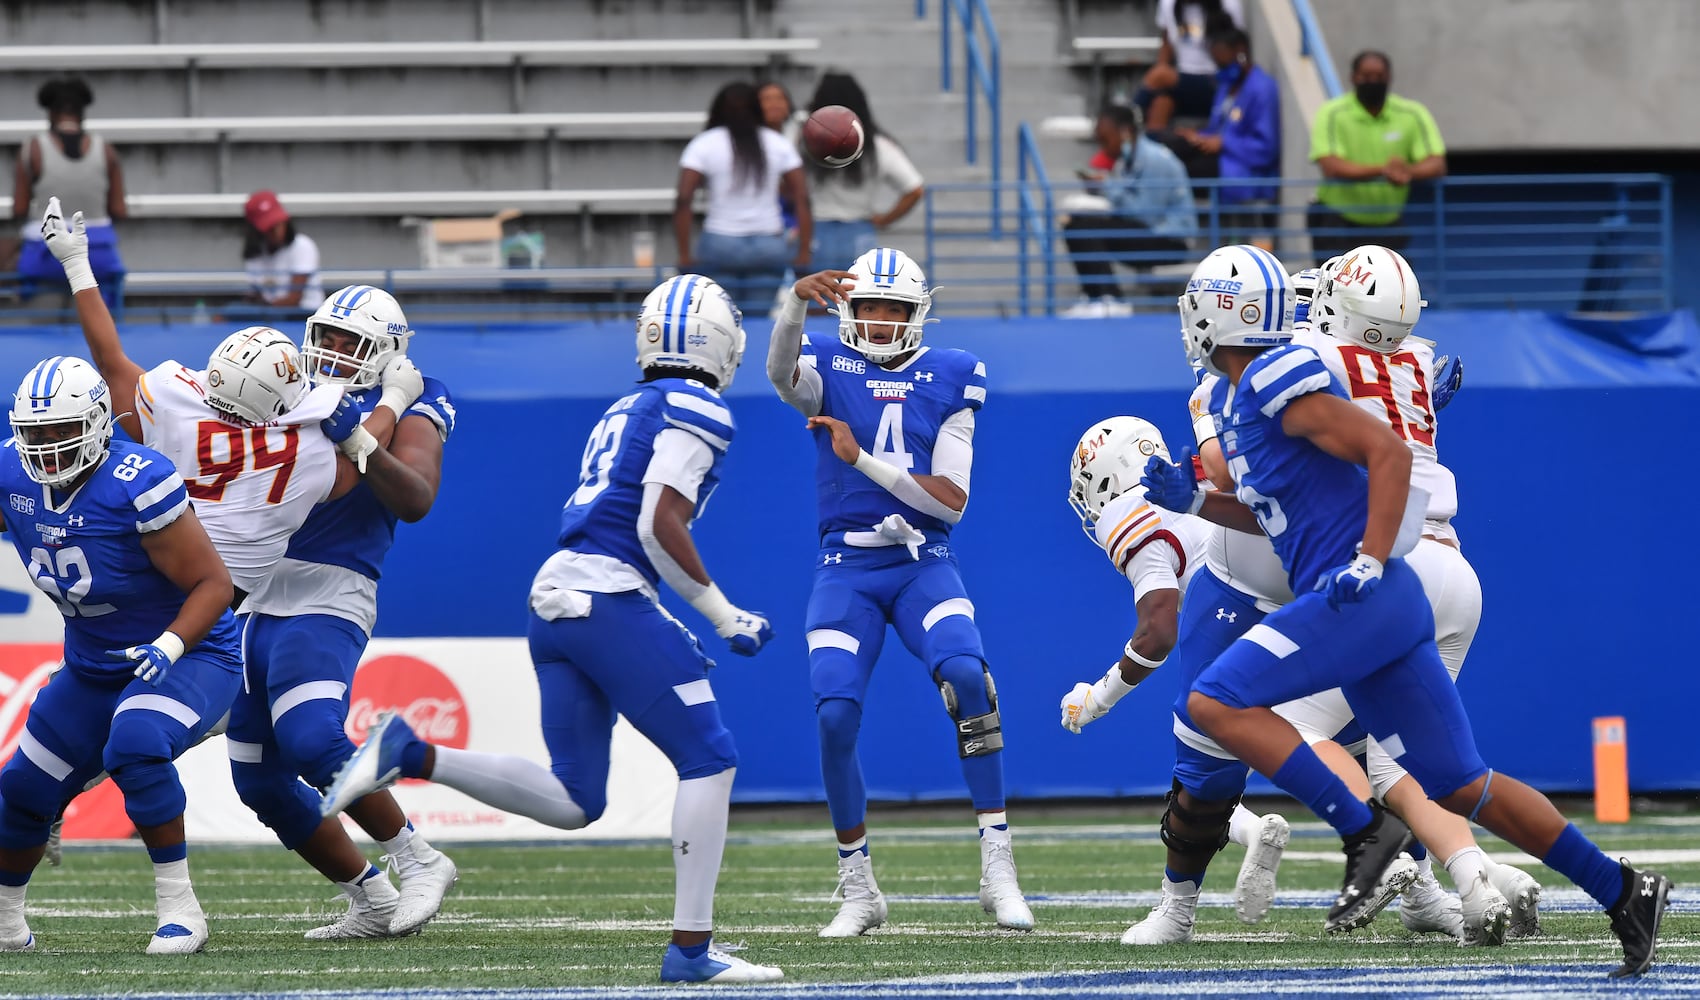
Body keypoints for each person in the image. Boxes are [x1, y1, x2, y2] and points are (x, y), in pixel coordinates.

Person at [1139, 244, 1670, 977]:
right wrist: (1196, 501)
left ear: (1216, 314)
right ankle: (1623, 890)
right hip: (1383, 603)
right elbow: (1273, 513)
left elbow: (1387, 452)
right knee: (1459, 782)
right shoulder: (1237, 398)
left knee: (1211, 700)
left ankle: (1367, 832)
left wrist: (1368, 557)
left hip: (1361, 593)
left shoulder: (1272, 375)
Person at [317, 274, 783, 984]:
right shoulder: (699, 406)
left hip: (561, 592)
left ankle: (412, 754)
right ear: (723, 342)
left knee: (575, 800)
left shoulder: (632, 403)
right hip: (605, 593)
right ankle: (691, 951)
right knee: (709, 759)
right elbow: (657, 524)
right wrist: (721, 613)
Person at [765, 248, 1034, 937]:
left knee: (969, 677)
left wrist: (862, 462)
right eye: (869, 308)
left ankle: (998, 866)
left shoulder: (952, 374)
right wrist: (793, 304)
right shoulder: (826, 363)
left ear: (918, 316)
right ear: (848, 311)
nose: (881, 322)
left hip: (922, 560)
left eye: (895, 310)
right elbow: (778, 372)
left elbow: (950, 503)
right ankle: (858, 886)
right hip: (845, 566)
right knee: (833, 715)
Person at [1294, 248, 1542, 942]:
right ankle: (1482, 882)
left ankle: (1380, 853)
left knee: (1291, 727)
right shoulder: (1414, 357)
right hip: (1458, 570)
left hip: (1395, 567)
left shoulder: (1315, 357)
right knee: (1406, 760)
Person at [230, 284, 458, 940]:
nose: (328, 353)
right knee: (259, 780)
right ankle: (372, 897)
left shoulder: (417, 394)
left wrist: (365, 431)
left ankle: (418, 857)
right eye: (323, 337)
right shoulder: (283, 383)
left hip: (331, 589)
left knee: (310, 737)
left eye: (346, 343)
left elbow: (414, 497)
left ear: (387, 354)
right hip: (251, 594)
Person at [0, 355, 241, 955]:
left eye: (61, 432)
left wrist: (170, 644)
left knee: (134, 744)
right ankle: (6, 924)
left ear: (100, 422)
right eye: (36, 435)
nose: (48, 449)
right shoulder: (10, 470)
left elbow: (213, 584)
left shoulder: (136, 479)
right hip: (92, 665)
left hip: (190, 653)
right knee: (24, 789)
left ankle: (180, 911)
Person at [1059, 415, 1295, 942]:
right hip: (1298, 607)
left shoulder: (1126, 512)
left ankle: (1178, 909)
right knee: (1361, 754)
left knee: (1200, 770)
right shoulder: (1201, 476)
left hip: (1233, 621)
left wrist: (1099, 697)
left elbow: (1158, 630)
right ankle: (1425, 880)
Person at [674, 82, 811, 315]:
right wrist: (804, 251)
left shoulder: (704, 144)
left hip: (721, 244)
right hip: (768, 246)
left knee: (722, 318)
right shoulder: (777, 143)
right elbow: (802, 197)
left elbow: (684, 199)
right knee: (757, 318)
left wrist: (685, 254)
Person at [1308, 51, 1446, 257]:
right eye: (1365, 76)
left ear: (1389, 78)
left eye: (1379, 77)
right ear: (1353, 78)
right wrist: (1385, 170)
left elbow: (1437, 164)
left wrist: (1407, 171)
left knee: (1396, 287)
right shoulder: (1332, 113)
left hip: (1389, 225)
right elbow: (1331, 166)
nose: (1373, 82)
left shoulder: (1412, 113)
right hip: (1338, 223)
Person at [1063, 104, 1197, 315]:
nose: (1103, 147)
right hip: (1148, 234)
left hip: (1169, 242)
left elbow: (1146, 214)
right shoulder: (1124, 162)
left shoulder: (1156, 160)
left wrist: (1106, 188)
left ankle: (1111, 299)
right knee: (1075, 223)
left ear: (1125, 132)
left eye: (1105, 139)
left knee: (1086, 225)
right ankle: (1094, 297)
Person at [11, 77, 127, 307]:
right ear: (82, 113)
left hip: (47, 258)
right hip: (97, 258)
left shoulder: (32, 149)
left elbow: (20, 209)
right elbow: (119, 210)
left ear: (50, 113)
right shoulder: (106, 150)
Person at [802, 73, 925, 274]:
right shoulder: (879, 146)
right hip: (860, 232)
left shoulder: (804, 142)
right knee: (858, 300)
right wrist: (885, 220)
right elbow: (915, 189)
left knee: (819, 300)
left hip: (817, 233)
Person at [1172, 23, 1280, 250]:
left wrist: (1223, 143)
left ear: (1240, 51)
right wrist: (1198, 136)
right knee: (1174, 146)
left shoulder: (1262, 88)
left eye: (1223, 62)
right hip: (1220, 160)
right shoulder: (1226, 86)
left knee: (1182, 171)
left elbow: (1266, 149)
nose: (1219, 67)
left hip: (1243, 171)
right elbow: (1217, 127)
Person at [1137, 0, 1245, 131]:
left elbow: (1238, 49)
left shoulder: (1229, 4)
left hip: (1218, 81)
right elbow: (1166, 46)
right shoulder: (1168, 4)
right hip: (1182, 80)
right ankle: (1153, 146)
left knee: (1161, 76)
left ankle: (1129, 116)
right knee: (1161, 103)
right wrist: (1158, 86)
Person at [243, 191, 325, 313]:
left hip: (303, 314)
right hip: (271, 314)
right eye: (269, 228)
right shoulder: (255, 254)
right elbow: (257, 294)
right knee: (227, 313)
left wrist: (263, 309)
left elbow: (293, 300)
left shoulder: (302, 245)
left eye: (278, 224)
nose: (276, 231)